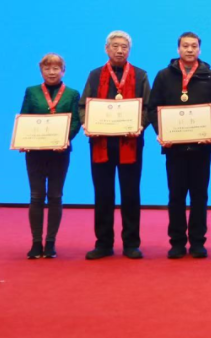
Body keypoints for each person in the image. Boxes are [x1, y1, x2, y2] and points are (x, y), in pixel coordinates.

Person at [148, 32, 211, 259]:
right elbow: (153, 108)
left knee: (200, 196)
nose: (190, 50)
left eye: (194, 46)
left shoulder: (210, 76)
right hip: (174, 148)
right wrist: (162, 132)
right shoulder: (164, 76)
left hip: (202, 148)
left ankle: (198, 242)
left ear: (199, 50)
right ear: (178, 49)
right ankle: (177, 242)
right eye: (185, 46)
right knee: (176, 196)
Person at [79, 31, 151, 260]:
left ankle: (131, 243)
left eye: (124, 47)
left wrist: (139, 125)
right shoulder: (94, 75)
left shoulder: (140, 75)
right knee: (103, 194)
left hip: (130, 143)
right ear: (106, 49)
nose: (120, 50)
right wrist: (86, 123)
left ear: (129, 50)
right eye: (115, 46)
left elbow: (148, 107)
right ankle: (103, 243)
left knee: (131, 194)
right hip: (101, 143)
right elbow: (83, 106)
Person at [19, 53, 80, 259]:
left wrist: (64, 139)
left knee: (55, 196)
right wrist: (22, 139)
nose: (52, 72)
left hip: (60, 153)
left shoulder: (72, 94)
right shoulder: (31, 91)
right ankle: (36, 243)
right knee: (36, 197)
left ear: (63, 71)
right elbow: (24, 117)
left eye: (56, 68)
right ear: (41, 71)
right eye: (47, 68)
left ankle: (51, 243)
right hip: (35, 153)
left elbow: (76, 121)